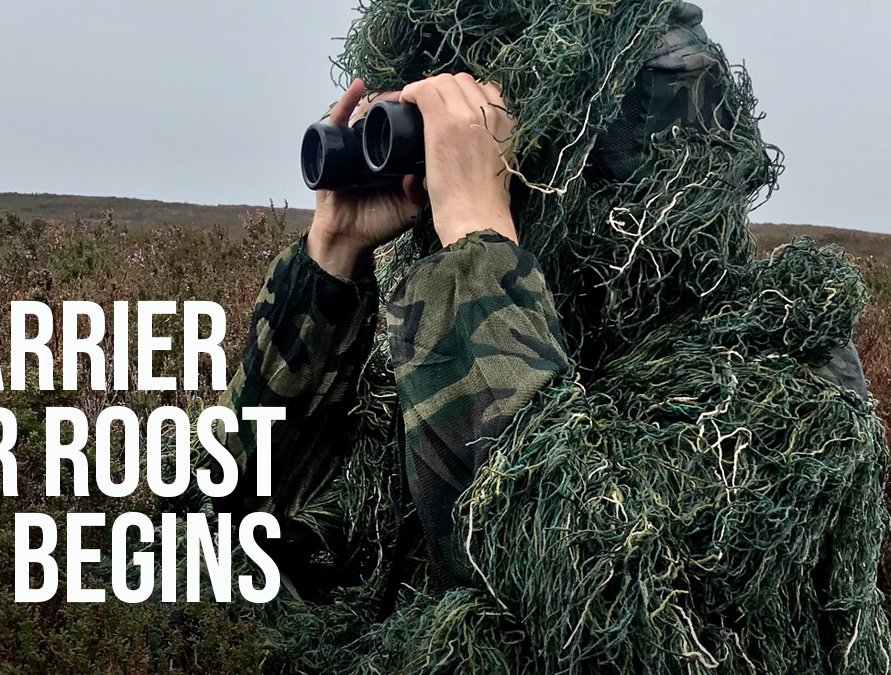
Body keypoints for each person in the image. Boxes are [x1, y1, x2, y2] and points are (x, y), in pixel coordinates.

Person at [204, 2, 869, 604]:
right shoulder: (461, 333)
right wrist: (330, 263)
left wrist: (479, 247)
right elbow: (219, 529)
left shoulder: (785, 374)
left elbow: (583, 600)